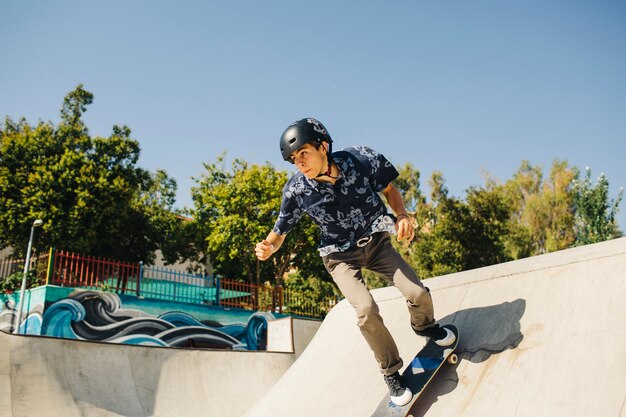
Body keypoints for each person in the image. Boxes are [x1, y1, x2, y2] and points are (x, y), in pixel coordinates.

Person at [255, 118, 455, 406]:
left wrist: (401, 215)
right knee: (366, 310)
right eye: (294, 160)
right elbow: (279, 233)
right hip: (339, 258)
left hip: (376, 243)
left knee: (418, 293)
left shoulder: (360, 160)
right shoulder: (297, 191)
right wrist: (268, 248)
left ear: (323, 146)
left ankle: (424, 326)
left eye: (304, 154)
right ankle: (390, 371)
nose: (300, 163)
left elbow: (389, 191)